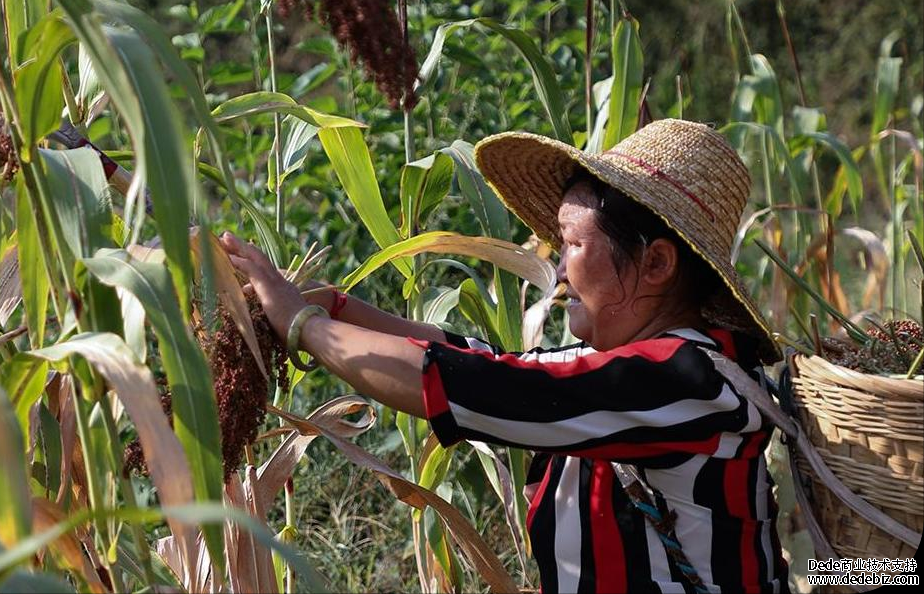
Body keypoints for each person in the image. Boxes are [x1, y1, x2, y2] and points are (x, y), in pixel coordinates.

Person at [221, 118, 790, 593]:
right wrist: (336, 308)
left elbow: (486, 389)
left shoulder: (687, 380)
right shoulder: (632, 370)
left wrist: (303, 326)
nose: (559, 270)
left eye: (573, 244)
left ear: (658, 265)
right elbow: (479, 360)